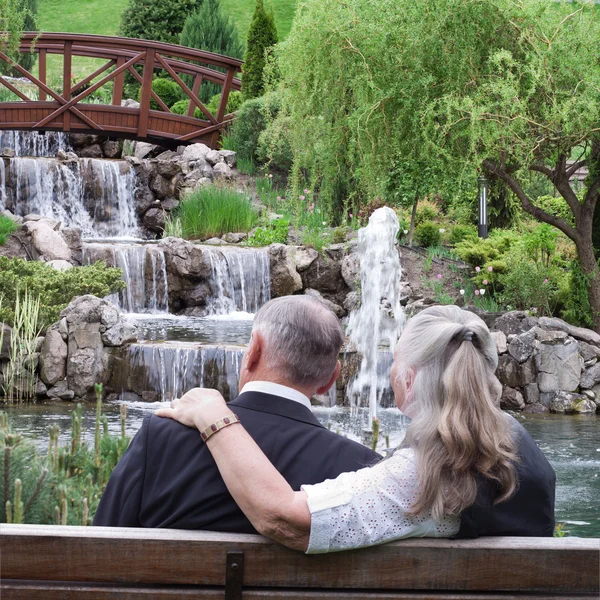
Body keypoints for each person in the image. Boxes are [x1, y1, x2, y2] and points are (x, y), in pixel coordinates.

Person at [156, 305, 556, 553]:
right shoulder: (521, 450)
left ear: (410, 380)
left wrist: (215, 416)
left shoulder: (427, 475)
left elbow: (284, 519)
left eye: (395, 359)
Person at [93, 296, 380, 530]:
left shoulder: (161, 436)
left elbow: (102, 543)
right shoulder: (362, 468)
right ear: (331, 379)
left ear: (253, 350)